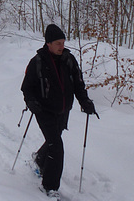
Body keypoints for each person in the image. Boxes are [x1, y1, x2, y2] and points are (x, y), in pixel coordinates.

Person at [21, 24, 97, 200]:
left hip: (63, 110)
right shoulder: (37, 62)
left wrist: (84, 101)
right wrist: (31, 102)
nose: (62, 46)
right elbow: (27, 87)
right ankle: (50, 187)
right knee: (57, 147)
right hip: (44, 110)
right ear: (48, 43)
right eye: (58, 43)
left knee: (53, 139)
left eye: (63, 42)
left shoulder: (69, 60)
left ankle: (39, 159)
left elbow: (78, 83)